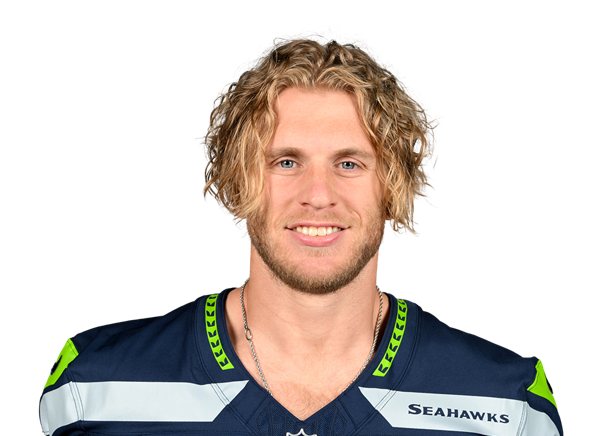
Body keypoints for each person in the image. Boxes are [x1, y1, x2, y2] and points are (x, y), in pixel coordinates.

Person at [39, 32, 563, 436]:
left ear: (393, 186)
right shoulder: (91, 385)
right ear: (238, 180)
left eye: (349, 163)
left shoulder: (508, 403)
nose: (318, 194)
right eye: (286, 161)